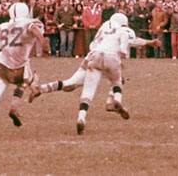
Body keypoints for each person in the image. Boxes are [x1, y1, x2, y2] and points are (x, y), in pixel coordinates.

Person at [29, 14, 161, 128]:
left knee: (71, 84)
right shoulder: (123, 30)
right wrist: (150, 42)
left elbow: (93, 45)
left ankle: (42, 90)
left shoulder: (104, 28)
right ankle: (113, 101)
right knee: (116, 79)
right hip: (110, 59)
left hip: (93, 57)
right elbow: (133, 41)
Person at [0, 2, 49, 141]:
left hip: (2, 64)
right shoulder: (30, 23)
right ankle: (15, 105)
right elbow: (34, 29)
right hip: (20, 67)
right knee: (26, 80)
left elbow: (2, 45)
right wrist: (42, 41)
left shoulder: (2, 27)